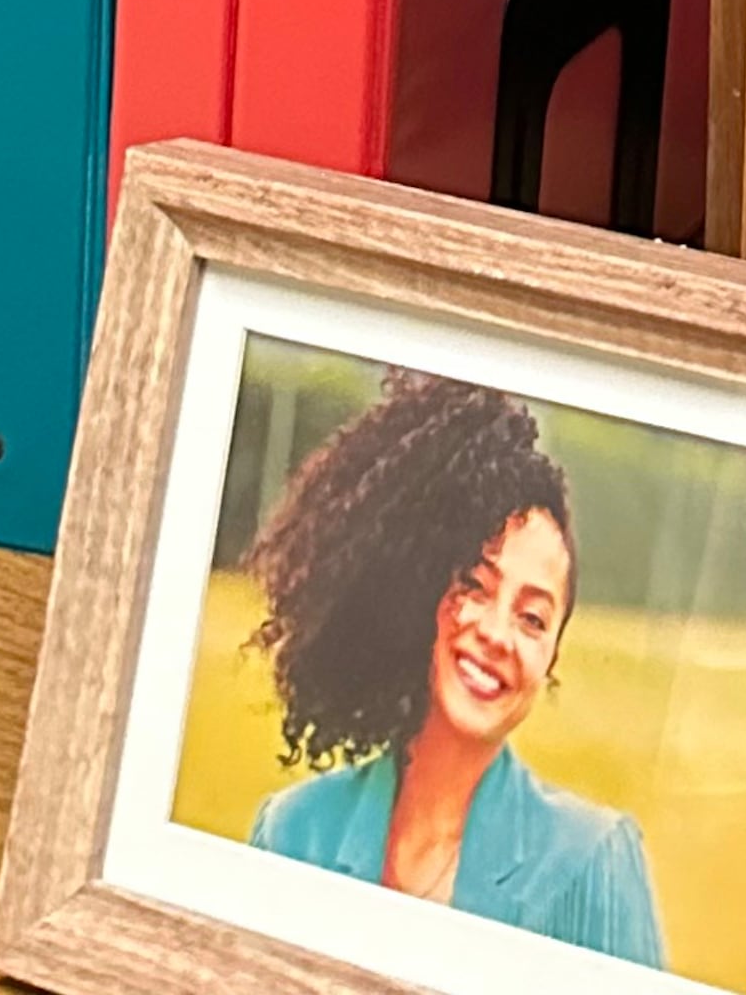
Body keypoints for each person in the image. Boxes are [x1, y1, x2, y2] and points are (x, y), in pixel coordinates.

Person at [241, 373, 667, 963]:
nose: (496, 634)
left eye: (533, 619)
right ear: (418, 586)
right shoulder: (291, 832)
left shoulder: (594, 863)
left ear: (552, 659)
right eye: (474, 585)